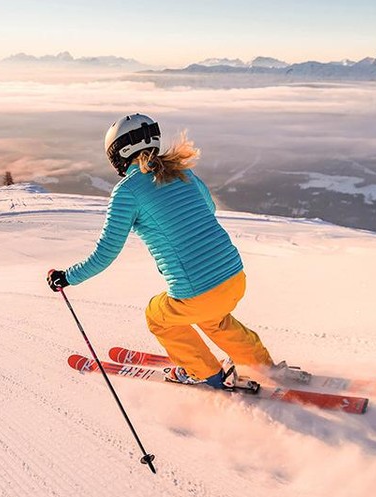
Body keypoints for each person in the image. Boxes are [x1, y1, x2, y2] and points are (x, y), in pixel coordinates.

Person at [47, 113, 275, 389]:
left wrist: (67, 277)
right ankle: (261, 365)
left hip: (198, 291)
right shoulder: (183, 172)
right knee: (213, 319)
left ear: (118, 154)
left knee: (158, 316)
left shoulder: (127, 192)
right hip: (235, 278)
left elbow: (105, 253)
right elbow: (209, 210)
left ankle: (205, 373)